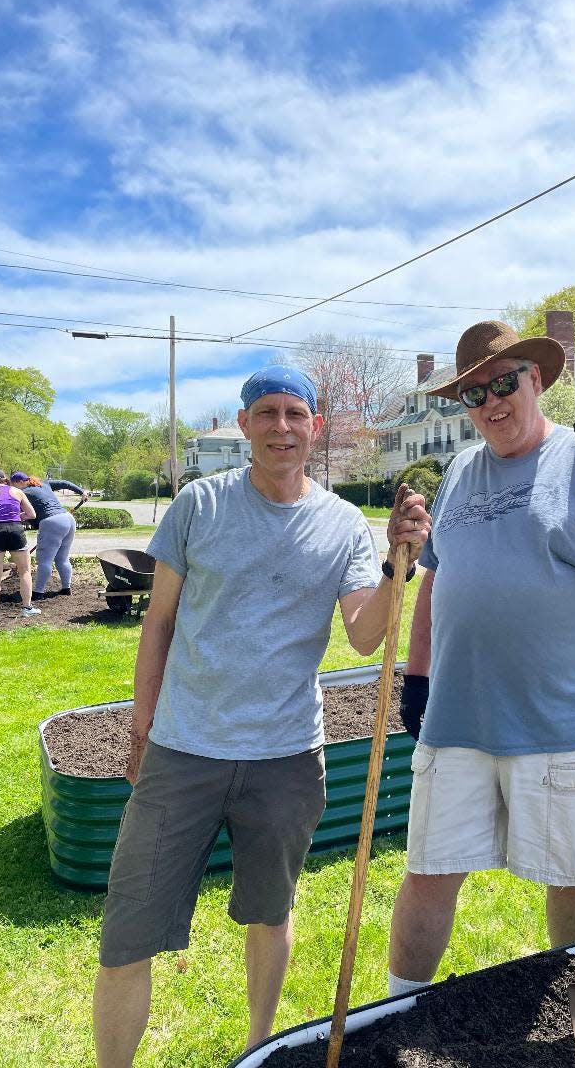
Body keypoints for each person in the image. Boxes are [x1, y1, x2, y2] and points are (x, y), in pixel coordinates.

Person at [92, 364, 431, 1068]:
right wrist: (142, 726)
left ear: (316, 426)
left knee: (270, 914)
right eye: (267, 413)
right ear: (244, 424)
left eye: (295, 414)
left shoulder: (339, 523)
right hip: (184, 750)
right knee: (129, 934)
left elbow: (366, 635)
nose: (282, 426)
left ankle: (259, 1048)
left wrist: (402, 564)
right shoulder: (200, 505)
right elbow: (157, 623)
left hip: (285, 758)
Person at [387, 320, 575, 999]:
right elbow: (437, 581)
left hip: (559, 723)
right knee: (428, 872)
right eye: (474, 393)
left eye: (504, 382)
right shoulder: (461, 470)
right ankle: (397, 1011)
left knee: (572, 876)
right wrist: (419, 679)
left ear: (537, 380)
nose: (491, 402)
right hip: (456, 722)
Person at [9, 472, 89, 599]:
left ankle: (38, 592)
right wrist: (81, 492)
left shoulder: (23, 493)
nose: (12, 489)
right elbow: (65, 483)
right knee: (62, 558)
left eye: (12, 485)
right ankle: (66, 588)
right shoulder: (44, 484)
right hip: (68, 519)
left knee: (44, 560)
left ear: (19, 482)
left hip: (51, 522)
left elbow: (24, 514)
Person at [0, 468, 41, 620]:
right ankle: (27, 608)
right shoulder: (17, 492)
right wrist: (17, 517)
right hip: (15, 530)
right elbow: (32, 514)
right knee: (25, 571)